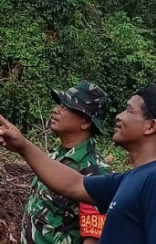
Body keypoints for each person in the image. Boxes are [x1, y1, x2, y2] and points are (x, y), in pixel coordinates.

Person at [0, 83, 156, 244]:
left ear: (150, 126)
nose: (119, 116)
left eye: (129, 111)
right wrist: (22, 146)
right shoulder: (132, 178)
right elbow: (75, 185)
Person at [19, 81, 112, 244]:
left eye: (66, 107)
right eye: (59, 104)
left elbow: (92, 239)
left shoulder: (94, 172)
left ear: (85, 122)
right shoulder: (55, 155)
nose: (56, 110)